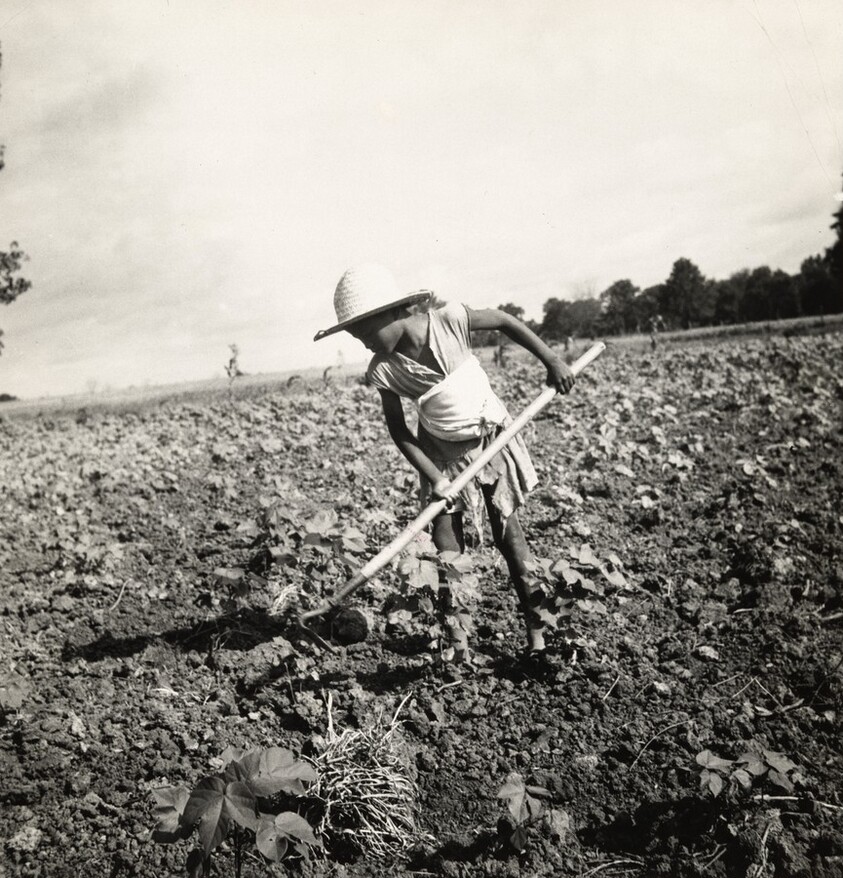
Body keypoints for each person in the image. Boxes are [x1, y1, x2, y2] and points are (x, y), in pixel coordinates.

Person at [314, 264, 574, 662]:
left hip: (491, 443)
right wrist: (434, 477)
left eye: (364, 332)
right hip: (440, 458)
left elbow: (504, 321)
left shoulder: (450, 322)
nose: (363, 343)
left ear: (391, 313)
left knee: (512, 542)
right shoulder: (383, 370)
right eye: (355, 336)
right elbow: (400, 431)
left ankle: (537, 639)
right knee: (447, 551)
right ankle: (457, 648)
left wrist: (552, 360)